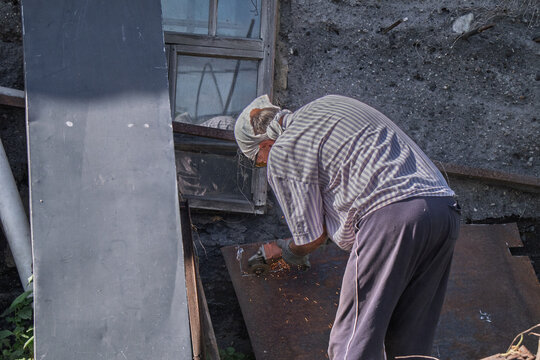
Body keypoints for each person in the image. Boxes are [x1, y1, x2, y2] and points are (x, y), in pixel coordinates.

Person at [234, 94, 461, 360]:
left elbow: (312, 237)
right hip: (443, 210)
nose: (263, 165)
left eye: (259, 160)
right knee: (411, 338)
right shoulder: (328, 104)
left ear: (266, 144)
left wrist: (287, 250)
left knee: (353, 341)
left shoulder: (283, 150)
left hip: (390, 218)